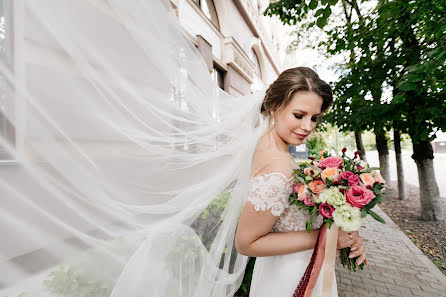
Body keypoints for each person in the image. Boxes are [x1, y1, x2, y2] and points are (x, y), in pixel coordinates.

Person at [235, 67, 369, 297]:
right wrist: (328, 237)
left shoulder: (268, 150)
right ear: (275, 107)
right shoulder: (279, 168)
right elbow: (246, 243)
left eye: (314, 118)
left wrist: (342, 230)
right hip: (289, 280)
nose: (308, 126)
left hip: (285, 270)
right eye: (299, 115)